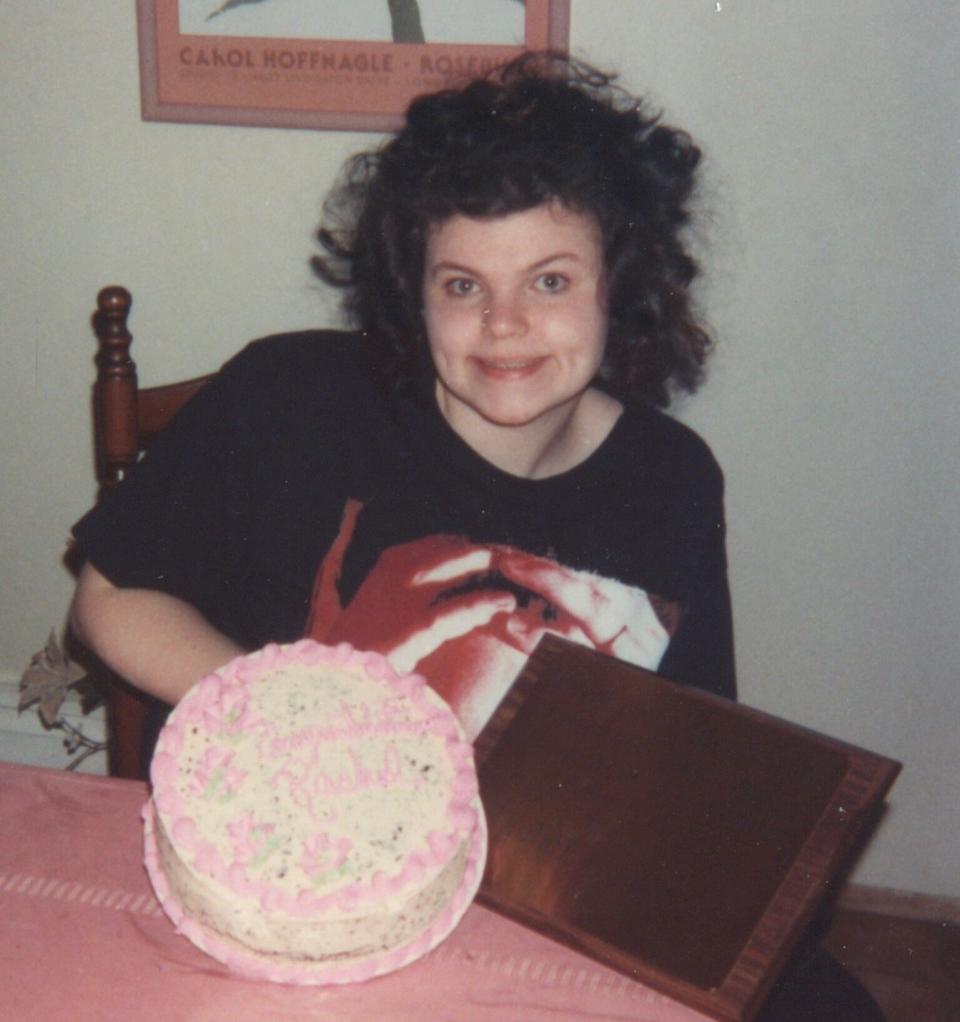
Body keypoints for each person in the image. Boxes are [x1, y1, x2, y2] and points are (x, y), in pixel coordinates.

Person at [69, 54, 881, 1021]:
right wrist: (307, 723)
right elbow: (110, 600)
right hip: (287, 916)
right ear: (412, 291)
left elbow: (684, 754)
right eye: (461, 285)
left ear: (623, 286)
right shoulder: (290, 398)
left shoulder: (672, 478)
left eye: (549, 279)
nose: (504, 325)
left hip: (529, 910)